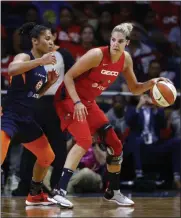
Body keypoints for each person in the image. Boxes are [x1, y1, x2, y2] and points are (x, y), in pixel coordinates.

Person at [49, 22, 171, 208]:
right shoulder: (96, 55)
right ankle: (60, 190)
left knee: (115, 144)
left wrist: (152, 82)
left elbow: (135, 88)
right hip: (68, 98)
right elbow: (68, 77)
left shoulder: (126, 60)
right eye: (113, 40)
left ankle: (113, 191)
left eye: (120, 41)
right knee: (84, 140)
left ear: (127, 43)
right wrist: (77, 102)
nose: (115, 44)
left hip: (88, 102)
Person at [1, 22, 59, 205]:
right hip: (9, 116)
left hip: (26, 120)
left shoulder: (41, 69)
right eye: (47, 39)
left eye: (52, 40)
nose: (51, 43)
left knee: (47, 156)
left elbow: (34, 94)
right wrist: (41, 61)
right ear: (35, 41)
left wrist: (48, 85)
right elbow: (11, 69)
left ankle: (34, 194)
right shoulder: (24, 56)